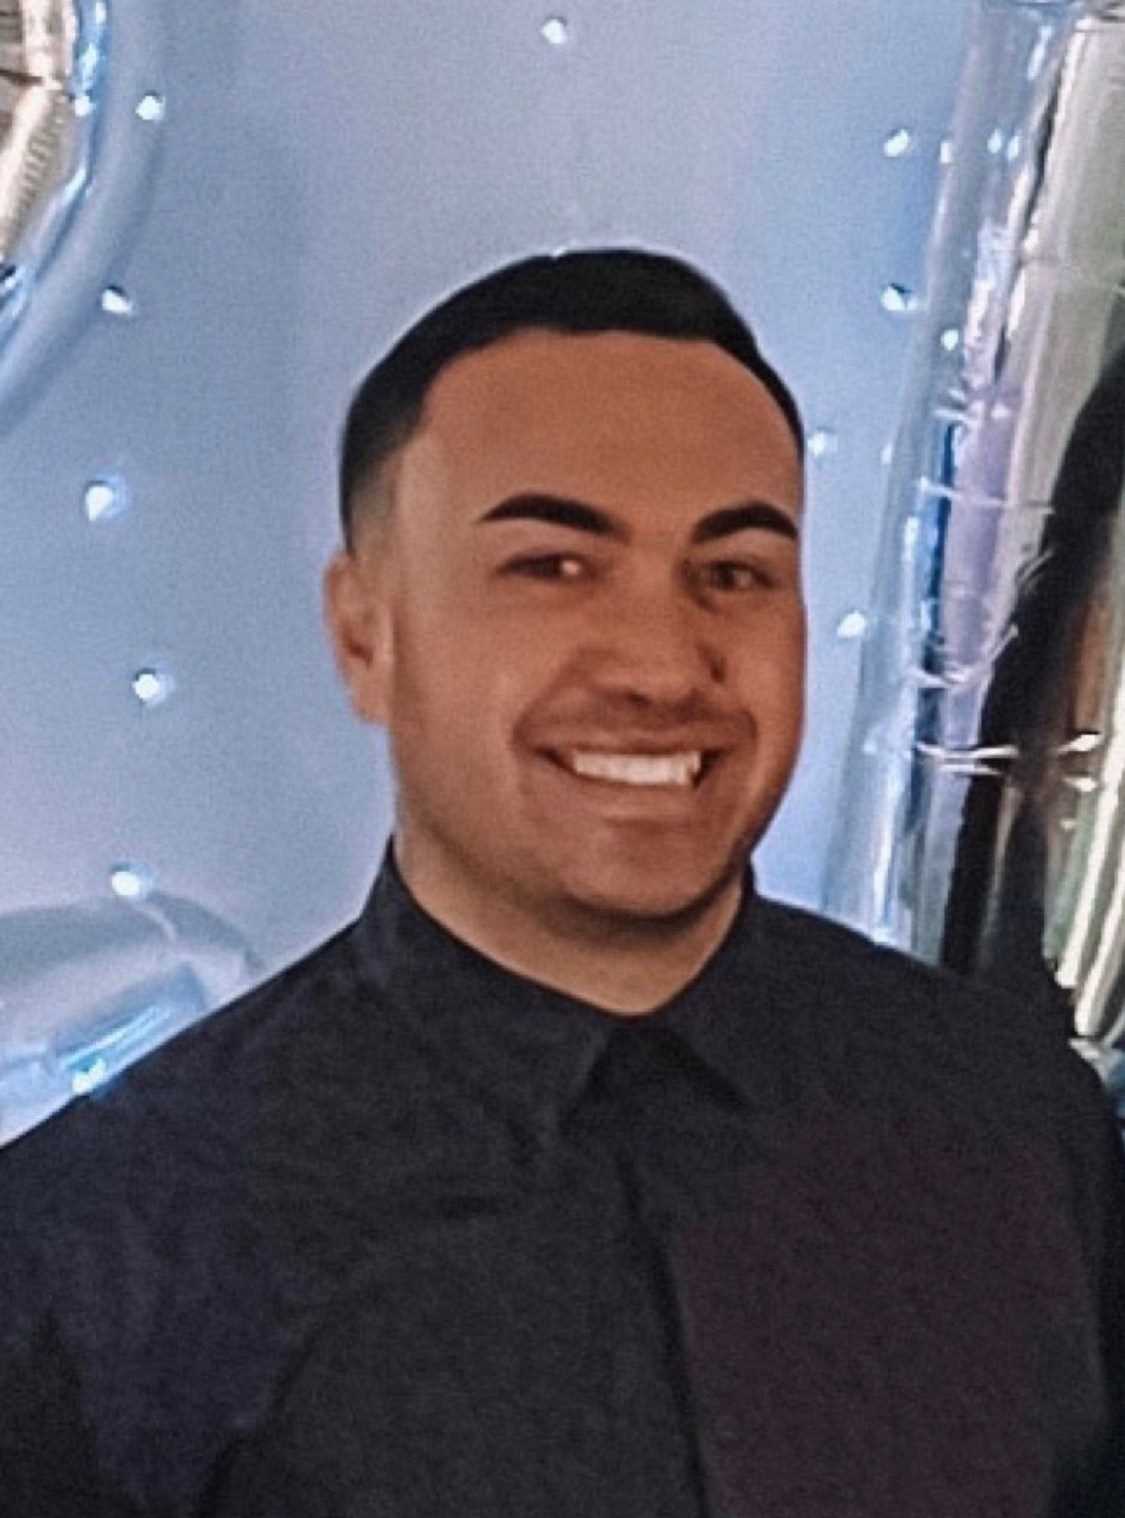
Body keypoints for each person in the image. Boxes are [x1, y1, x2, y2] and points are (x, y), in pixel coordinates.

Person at [1, 247, 1123, 1517]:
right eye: (554, 566)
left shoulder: (1015, 1126)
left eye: (734, 573)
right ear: (365, 632)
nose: (661, 665)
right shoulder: (104, 1247)